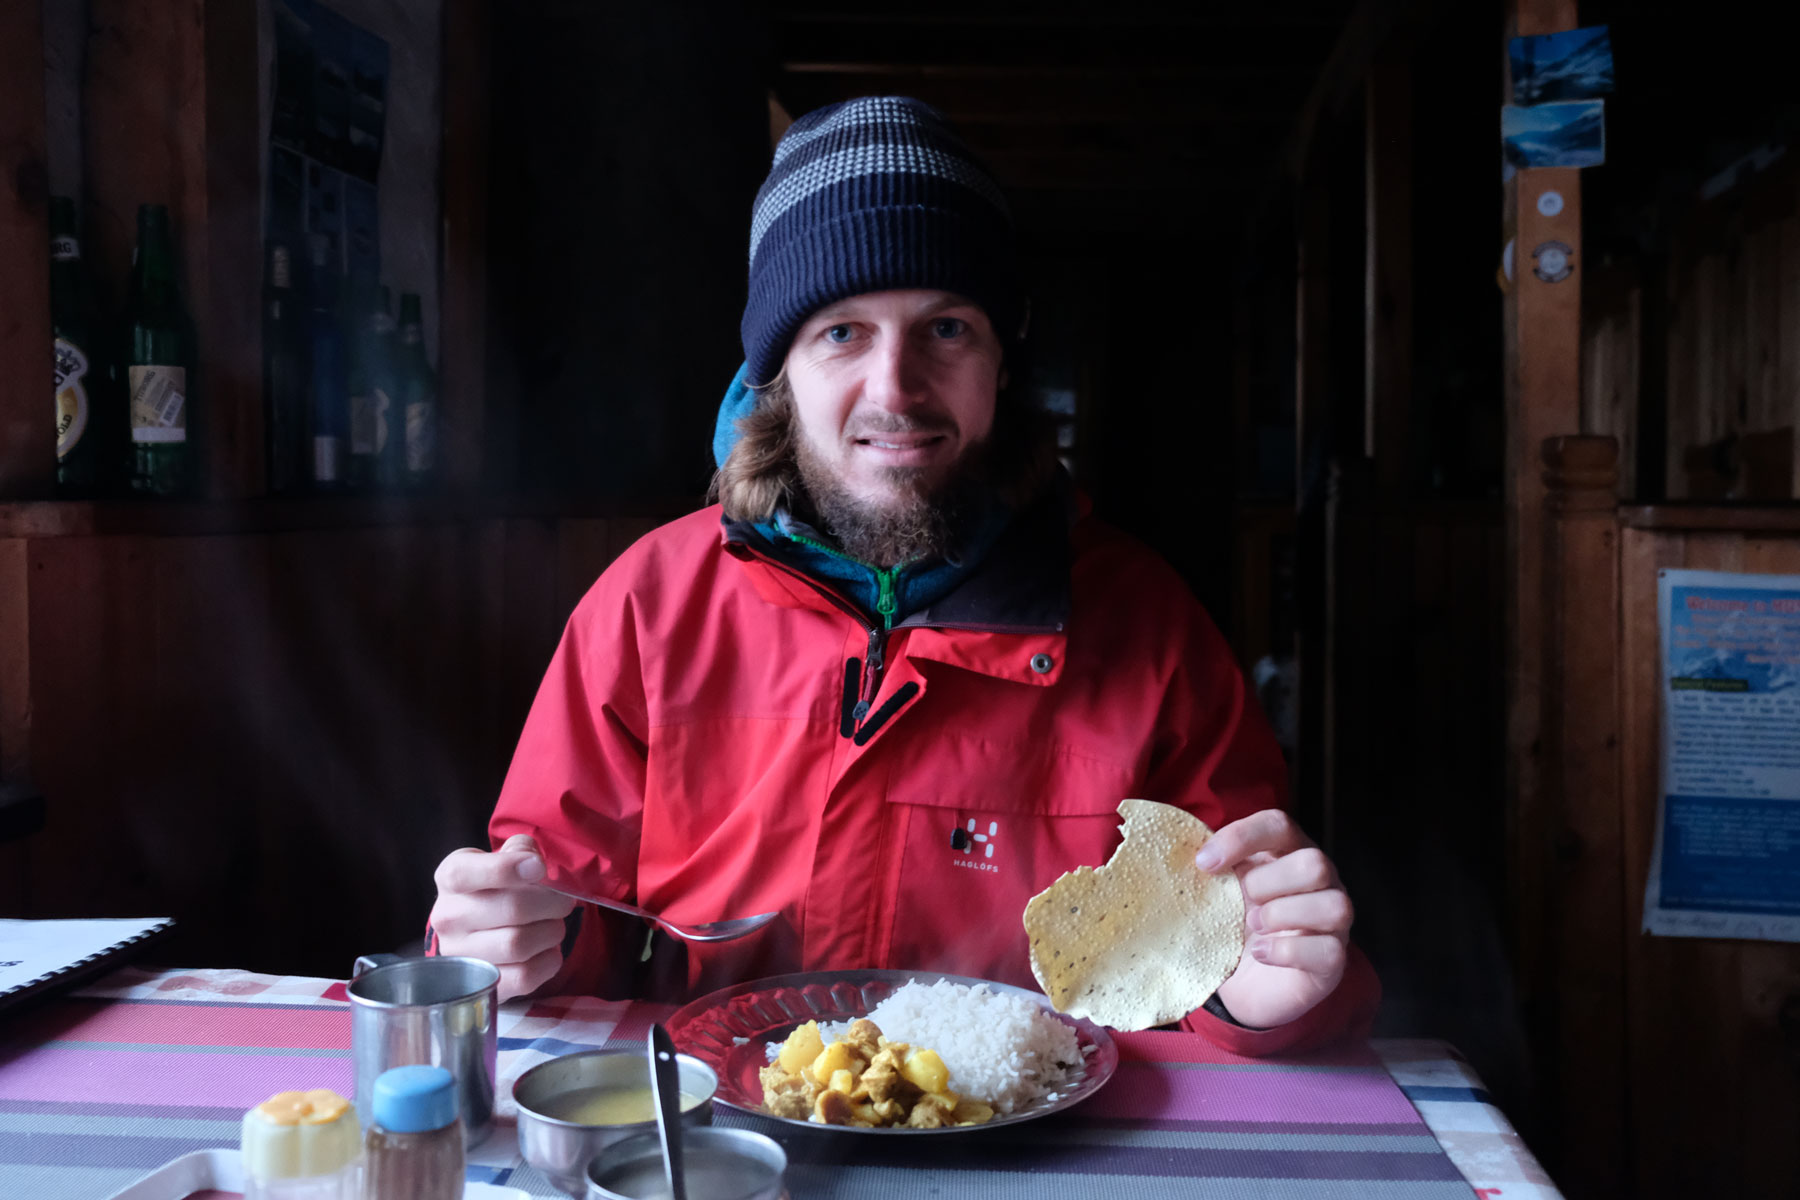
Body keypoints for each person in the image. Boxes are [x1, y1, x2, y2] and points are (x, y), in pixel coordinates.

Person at [428, 96, 1378, 1054]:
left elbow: (1241, 969)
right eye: (841, 331)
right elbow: (555, 925)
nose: (896, 389)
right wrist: (508, 940)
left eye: (948, 329)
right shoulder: (649, 606)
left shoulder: (1150, 629)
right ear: (776, 370)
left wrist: (1258, 995)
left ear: (1004, 362)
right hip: (722, 1141)